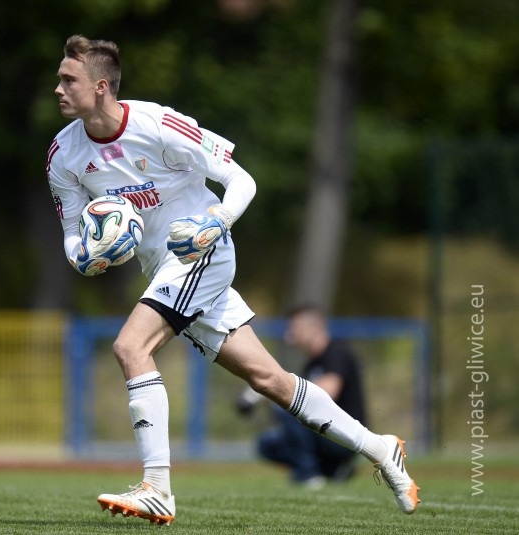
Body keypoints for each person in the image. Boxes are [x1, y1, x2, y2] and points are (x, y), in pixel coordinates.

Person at [46, 35, 420, 526]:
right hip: (163, 271)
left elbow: (242, 180)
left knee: (130, 347)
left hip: (202, 253)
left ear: (100, 87)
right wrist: (85, 258)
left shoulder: (159, 124)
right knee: (270, 380)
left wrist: (216, 220)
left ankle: (157, 488)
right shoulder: (63, 155)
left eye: (68, 79)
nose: (58, 88)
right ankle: (381, 447)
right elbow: (73, 235)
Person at [237, 305, 366, 487]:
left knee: (287, 408)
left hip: (345, 435)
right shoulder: (312, 364)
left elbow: (327, 393)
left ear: (311, 328)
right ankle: (334, 470)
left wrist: (272, 392)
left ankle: (308, 475)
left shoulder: (336, 353)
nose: (289, 336)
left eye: (294, 329)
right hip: (323, 434)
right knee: (267, 444)